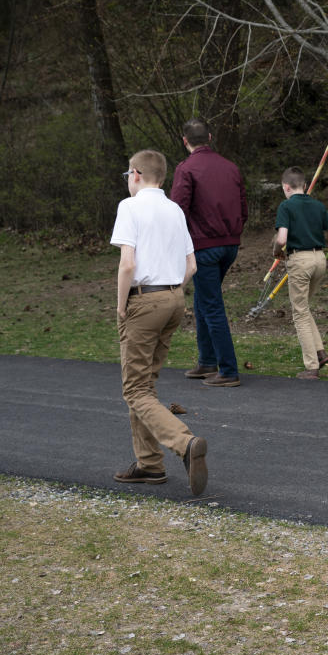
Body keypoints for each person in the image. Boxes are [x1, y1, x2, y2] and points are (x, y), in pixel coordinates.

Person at [110, 150, 209, 496]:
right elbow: (192, 265)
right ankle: (149, 464)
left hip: (144, 299)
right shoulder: (175, 209)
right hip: (174, 299)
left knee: (134, 388)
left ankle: (185, 443)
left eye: (127, 175)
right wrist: (171, 291)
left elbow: (126, 265)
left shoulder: (130, 207)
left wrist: (122, 306)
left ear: (135, 174)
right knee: (145, 386)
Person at [170, 119, 249, 387]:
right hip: (230, 244)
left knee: (212, 305)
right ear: (210, 137)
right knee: (204, 300)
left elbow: (177, 210)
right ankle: (206, 361)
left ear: (185, 140)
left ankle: (227, 369)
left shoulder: (186, 169)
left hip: (203, 246)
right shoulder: (231, 167)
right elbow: (243, 207)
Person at [273, 167, 328, 379]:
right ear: (304, 186)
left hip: (300, 261)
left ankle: (311, 367)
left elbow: (281, 239)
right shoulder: (318, 205)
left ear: (286, 187)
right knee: (304, 308)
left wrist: (276, 252)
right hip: (320, 260)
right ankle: (320, 352)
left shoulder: (286, 206)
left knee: (299, 313)